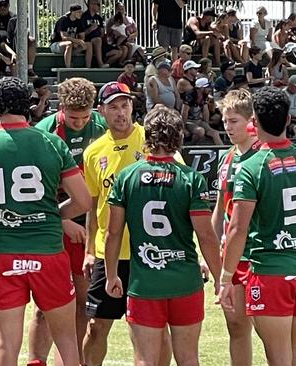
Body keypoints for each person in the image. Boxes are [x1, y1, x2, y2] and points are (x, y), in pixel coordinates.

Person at [0, 77, 91, 366]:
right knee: (66, 340)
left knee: (6, 345)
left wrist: (0, 214)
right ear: (28, 105)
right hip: (48, 251)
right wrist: (49, 216)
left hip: (5, 252)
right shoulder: (51, 142)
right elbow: (82, 201)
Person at [105, 104, 221, 365]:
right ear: (178, 136)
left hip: (144, 284)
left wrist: (111, 274)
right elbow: (206, 236)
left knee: (145, 360)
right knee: (188, 358)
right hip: (185, 282)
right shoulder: (191, 178)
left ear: (147, 137)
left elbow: (113, 233)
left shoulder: (126, 177)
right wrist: (219, 278)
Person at [219, 86, 296, 366]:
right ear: (289, 119)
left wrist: (226, 278)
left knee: (279, 359)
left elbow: (238, 229)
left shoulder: (252, 166)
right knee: (291, 356)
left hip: (270, 269)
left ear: (254, 123)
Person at [82, 81, 175, 366]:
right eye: (113, 107)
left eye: (125, 105)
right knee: (97, 326)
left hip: (148, 251)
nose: (121, 113)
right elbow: (92, 205)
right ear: (101, 112)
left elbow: (177, 184)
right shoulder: (93, 152)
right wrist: (88, 249)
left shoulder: (153, 140)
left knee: (158, 329)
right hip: (108, 252)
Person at [29, 77, 107, 366]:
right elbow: (35, 193)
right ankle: (36, 360)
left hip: (87, 221)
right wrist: (62, 221)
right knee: (45, 304)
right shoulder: (44, 132)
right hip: (53, 220)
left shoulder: (102, 126)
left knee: (82, 300)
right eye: (74, 117)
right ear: (61, 108)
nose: (80, 122)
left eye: (85, 116)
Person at [213, 89, 261, 366]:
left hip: (260, 254)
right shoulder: (227, 158)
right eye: (225, 121)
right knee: (236, 326)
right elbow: (219, 208)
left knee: (270, 330)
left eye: (234, 121)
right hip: (232, 255)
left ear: (250, 121)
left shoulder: (263, 155)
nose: (228, 127)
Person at [182, 77, 223, 145]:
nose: (209, 89)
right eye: (207, 87)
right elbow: (184, 112)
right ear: (201, 88)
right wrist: (183, 128)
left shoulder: (205, 96)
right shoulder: (190, 96)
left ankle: (223, 152)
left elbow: (205, 111)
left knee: (215, 133)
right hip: (189, 122)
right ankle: (190, 146)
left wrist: (206, 124)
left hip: (199, 120)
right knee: (200, 131)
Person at [50, 4, 93, 68]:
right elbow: (64, 37)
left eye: (81, 12)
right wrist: (77, 41)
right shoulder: (63, 20)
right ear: (72, 12)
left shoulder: (79, 21)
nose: (81, 14)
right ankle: (68, 67)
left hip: (72, 45)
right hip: (57, 45)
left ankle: (88, 68)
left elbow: (82, 36)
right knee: (68, 44)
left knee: (89, 45)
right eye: (78, 12)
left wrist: (78, 42)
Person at [82, 0, 110, 68]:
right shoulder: (84, 17)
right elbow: (80, 33)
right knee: (97, 40)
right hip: (87, 39)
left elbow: (102, 31)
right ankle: (100, 63)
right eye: (97, 4)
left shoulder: (98, 18)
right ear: (90, 5)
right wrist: (90, 29)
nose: (98, 6)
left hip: (99, 39)